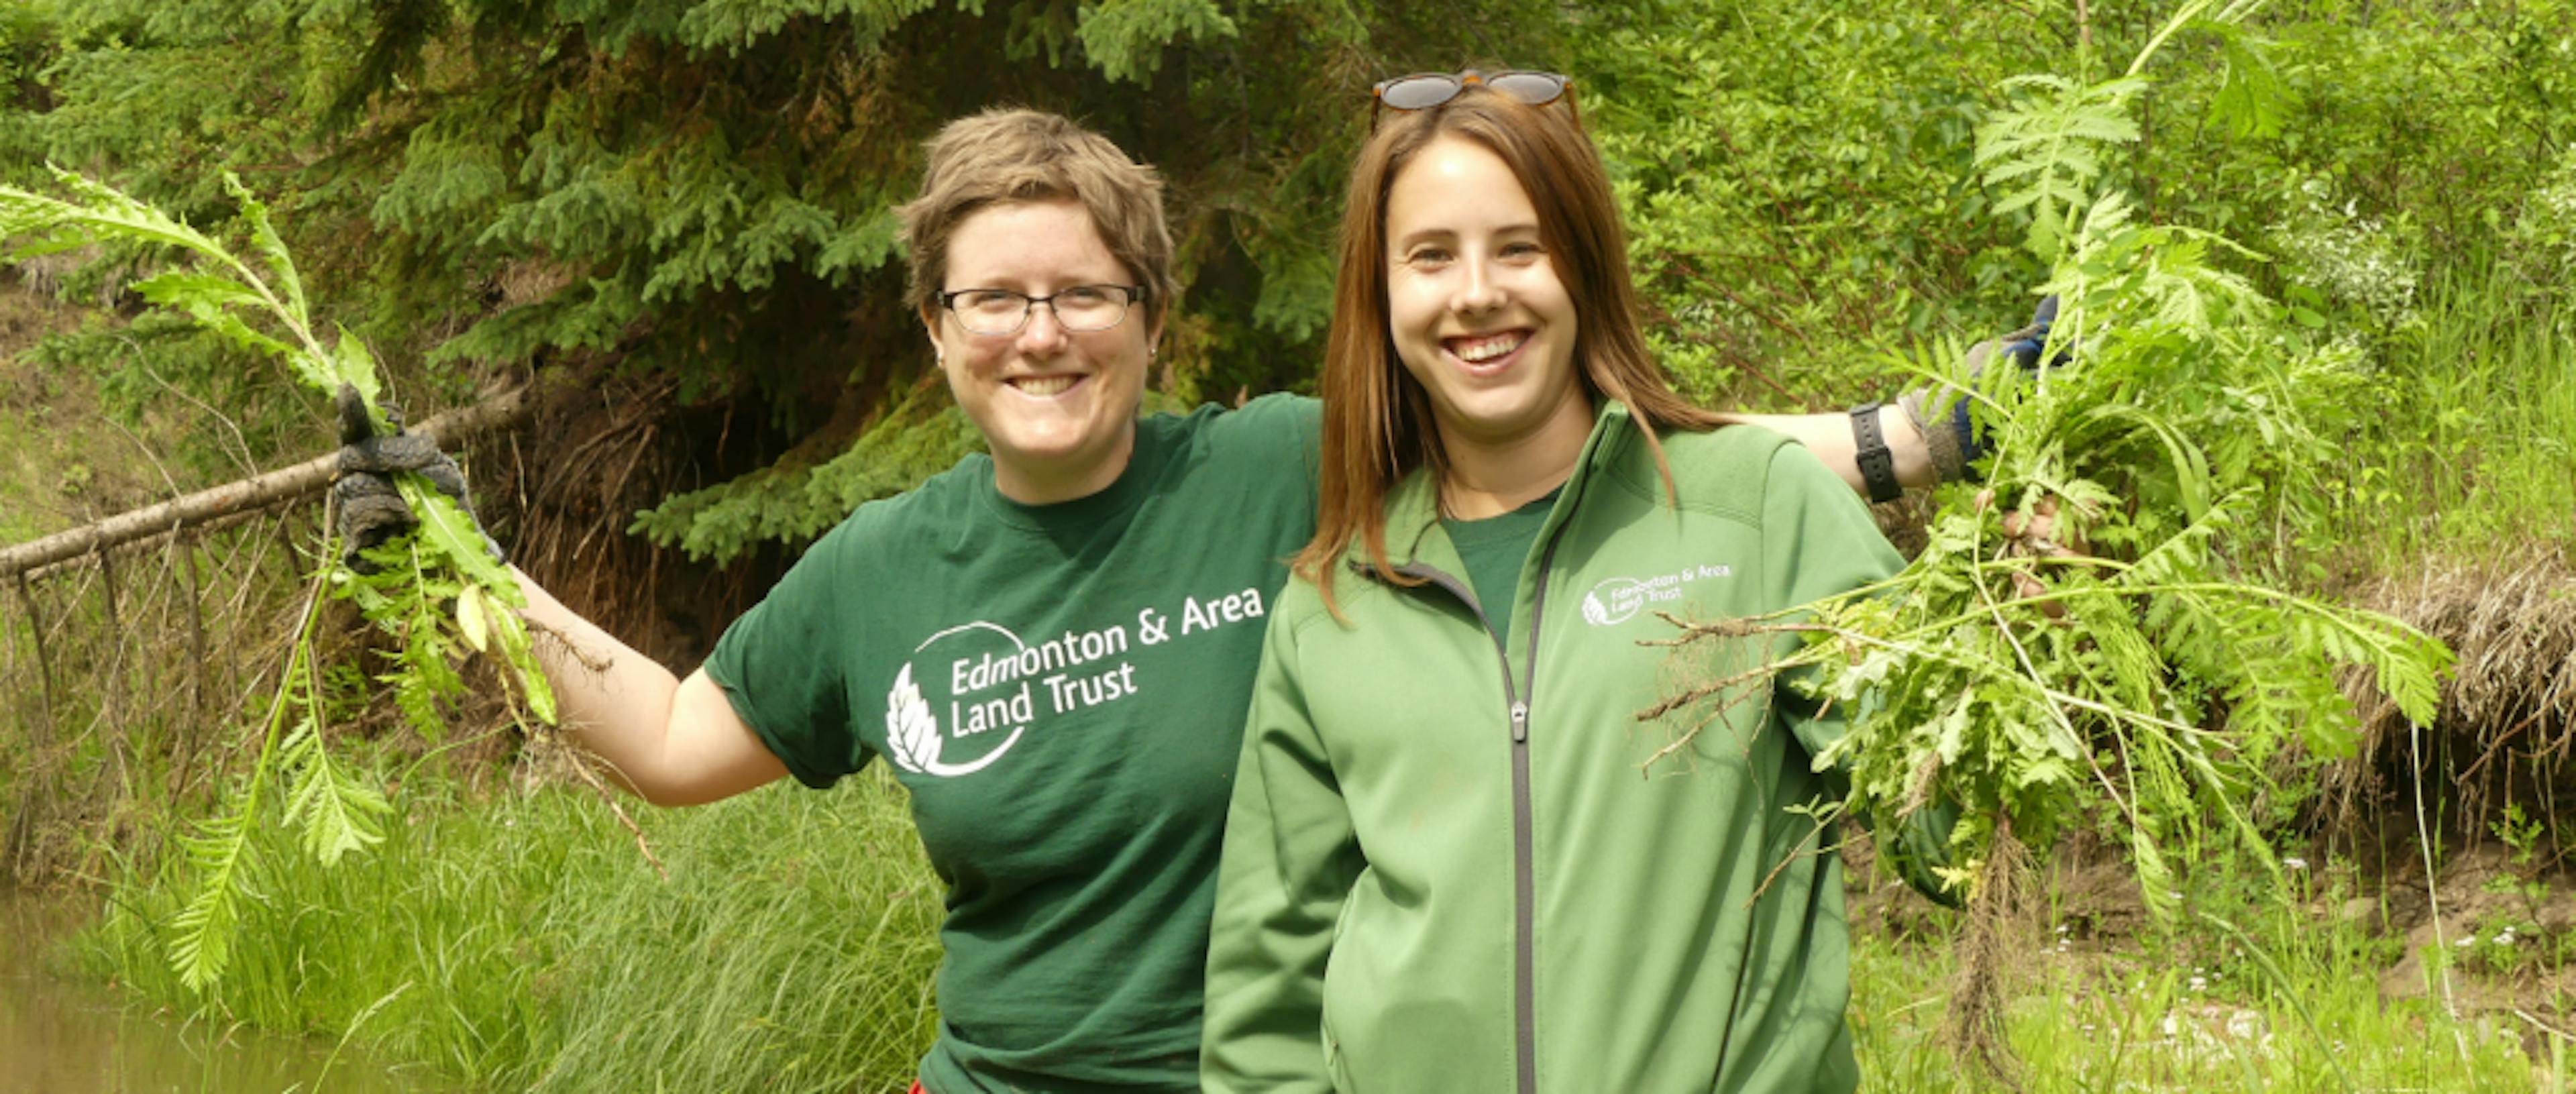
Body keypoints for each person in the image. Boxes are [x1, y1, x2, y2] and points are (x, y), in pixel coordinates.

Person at [335, 106, 1975, 1094]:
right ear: (936, 329)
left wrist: (1909, 444)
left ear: (1151, 316)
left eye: (1083, 294)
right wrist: (466, 577)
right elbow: (684, 739)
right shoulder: (883, 567)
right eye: (993, 297)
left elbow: (1590, 432)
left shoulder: (1279, 467)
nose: (1038, 334)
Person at [1198, 72, 1933, 1093]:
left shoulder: (1758, 513)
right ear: (1382, 292)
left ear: (1582, 266)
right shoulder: (1336, 600)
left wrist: (2028, 613)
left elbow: (1943, 832)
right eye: (1430, 257)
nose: (1477, 293)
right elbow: (1268, 1001)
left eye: (1519, 246)